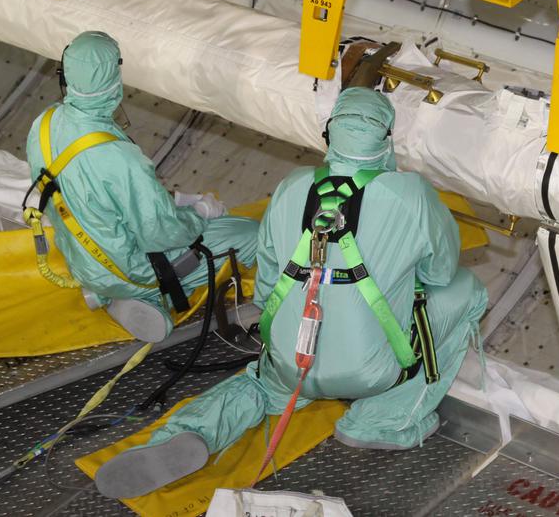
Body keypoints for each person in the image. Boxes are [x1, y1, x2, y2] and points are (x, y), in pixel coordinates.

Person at [93, 87, 487, 499]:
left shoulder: (292, 185)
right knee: (467, 290)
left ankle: (191, 433)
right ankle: (379, 421)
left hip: (293, 359)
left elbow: (267, 280)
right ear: (386, 141)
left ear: (330, 135)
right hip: (373, 371)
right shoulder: (413, 195)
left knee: (260, 386)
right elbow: (440, 272)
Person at [25, 31, 259, 342]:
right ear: (114, 78)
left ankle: (105, 293)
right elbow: (161, 232)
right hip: (128, 268)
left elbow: (92, 192)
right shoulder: (120, 158)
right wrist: (200, 212)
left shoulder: (44, 123)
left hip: (81, 260)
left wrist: (173, 199)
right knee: (250, 235)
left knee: (137, 240)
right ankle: (140, 293)